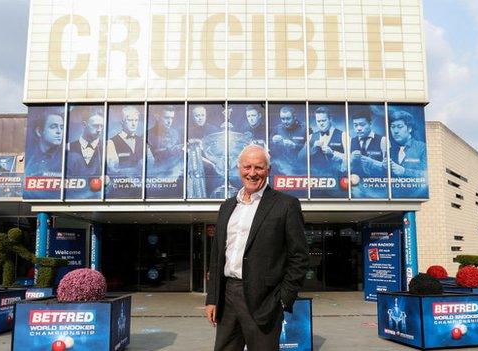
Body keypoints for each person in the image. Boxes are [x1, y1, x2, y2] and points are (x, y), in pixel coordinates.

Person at [205, 144, 309, 351]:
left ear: (268, 170)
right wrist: (212, 298)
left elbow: (299, 257)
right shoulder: (227, 206)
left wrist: (283, 300)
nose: (252, 173)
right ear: (239, 169)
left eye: (259, 168)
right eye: (247, 167)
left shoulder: (286, 205)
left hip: (265, 302)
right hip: (227, 298)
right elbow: (217, 256)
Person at [299, 106, 347, 175]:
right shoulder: (311, 137)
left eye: (323, 121)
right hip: (315, 178)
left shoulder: (343, 135)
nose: (321, 123)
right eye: (318, 121)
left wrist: (333, 154)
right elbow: (300, 159)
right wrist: (311, 149)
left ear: (330, 119)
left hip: (336, 177)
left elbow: (350, 159)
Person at [107, 106, 149, 175]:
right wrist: (136, 169)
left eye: (136, 120)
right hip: (121, 183)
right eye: (130, 120)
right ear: (122, 122)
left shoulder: (143, 142)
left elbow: (151, 165)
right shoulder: (111, 143)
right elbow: (113, 170)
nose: (133, 124)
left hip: (141, 183)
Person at [386, 110, 427, 177]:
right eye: (393, 127)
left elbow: (427, 175)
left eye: (400, 127)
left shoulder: (422, 148)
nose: (395, 131)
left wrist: (405, 172)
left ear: (409, 128)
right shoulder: (390, 151)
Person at [349, 107, 386, 178]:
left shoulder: (383, 140)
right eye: (355, 125)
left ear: (370, 124)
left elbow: (388, 168)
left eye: (362, 124)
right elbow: (344, 168)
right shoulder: (351, 141)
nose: (359, 128)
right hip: (357, 185)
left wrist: (372, 163)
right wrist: (351, 159)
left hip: (377, 183)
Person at [25, 112, 64, 176]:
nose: (59, 131)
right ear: (39, 131)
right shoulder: (28, 157)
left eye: (62, 128)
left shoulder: (73, 159)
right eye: (53, 127)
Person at [66, 112, 104, 177]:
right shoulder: (68, 147)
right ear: (84, 125)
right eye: (95, 126)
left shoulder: (107, 148)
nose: (99, 130)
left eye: (102, 126)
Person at [148, 105, 183, 172]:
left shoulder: (175, 133)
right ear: (157, 117)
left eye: (172, 118)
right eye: (166, 118)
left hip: (175, 173)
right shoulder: (148, 136)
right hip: (157, 175)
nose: (169, 121)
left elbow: (180, 156)